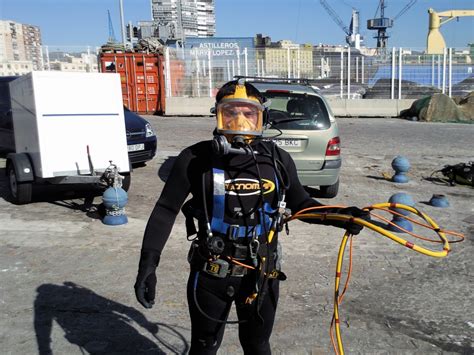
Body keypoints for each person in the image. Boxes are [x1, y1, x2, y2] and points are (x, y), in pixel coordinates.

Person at [134, 79, 370, 355]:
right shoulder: (196, 158)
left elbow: (302, 204)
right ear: (218, 114)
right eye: (230, 113)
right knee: (203, 346)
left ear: (262, 117)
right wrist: (147, 266)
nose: (240, 121)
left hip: (261, 271)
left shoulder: (277, 159)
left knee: (257, 345)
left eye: (249, 114)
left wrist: (342, 216)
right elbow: (165, 210)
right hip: (212, 270)